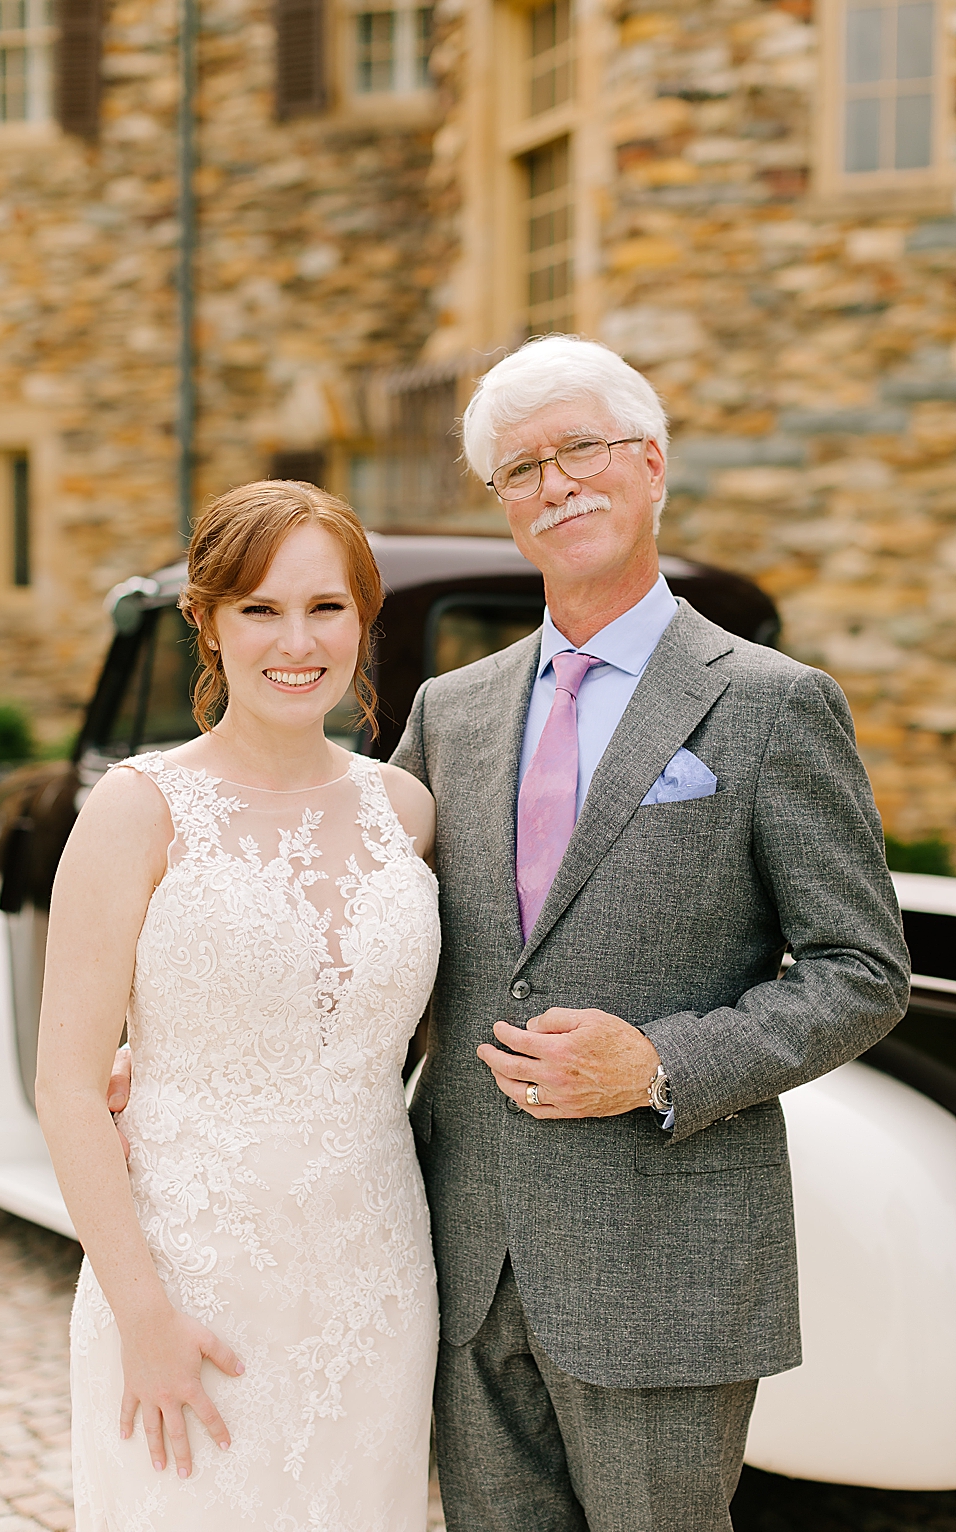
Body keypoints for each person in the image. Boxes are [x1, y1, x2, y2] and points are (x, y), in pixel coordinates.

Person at [388, 335, 910, 1532]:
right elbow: (370, 936)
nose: (553, 481)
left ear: (651, 463)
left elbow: (860, 970)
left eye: (579, 447)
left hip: (662, 1262)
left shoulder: (773, 701)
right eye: (517, 467)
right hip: (463, 1251)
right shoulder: (447, 712)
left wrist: (659, 1061)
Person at [37, 481, 443, 1529]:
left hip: (374, 1277)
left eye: (324, 606)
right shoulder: (136, 809)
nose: (294, 640)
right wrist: (141, 1311)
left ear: (362, 616)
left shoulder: (406, 811)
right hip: (190, 1281)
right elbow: (69, 1086)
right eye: (259, 607)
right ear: (208, 623)